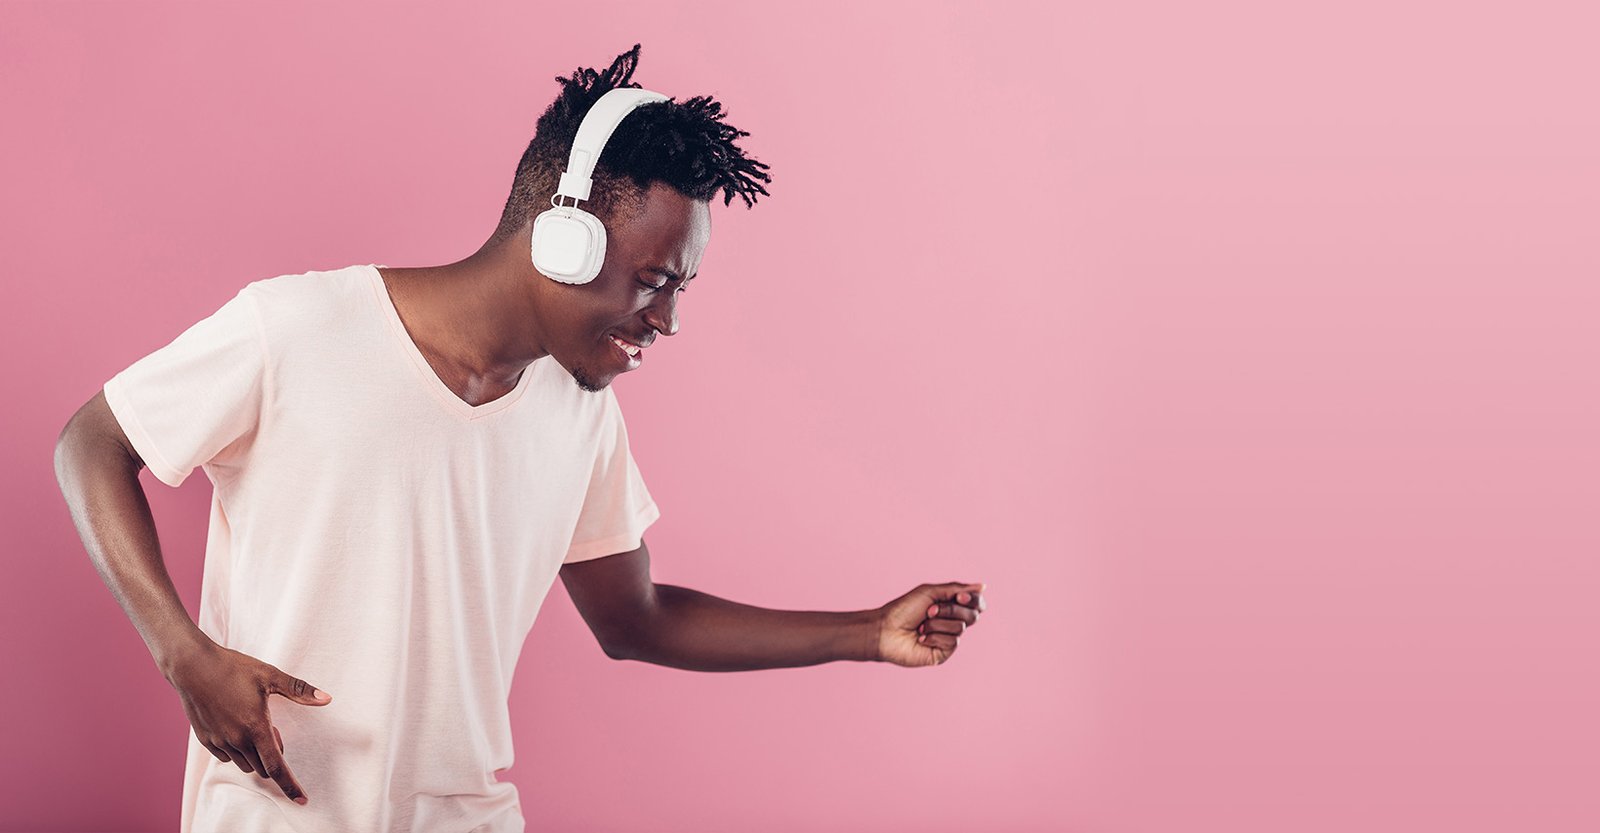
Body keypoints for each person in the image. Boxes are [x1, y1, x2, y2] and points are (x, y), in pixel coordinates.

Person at [53, 43, 986, 833]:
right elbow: (91, 443)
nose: (665, 321)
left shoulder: (581, 414)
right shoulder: (298, 328)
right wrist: (184, 654)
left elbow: (637, 618)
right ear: (560, 239)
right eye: (653, 279)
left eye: (680, 289)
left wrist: (867, 632)